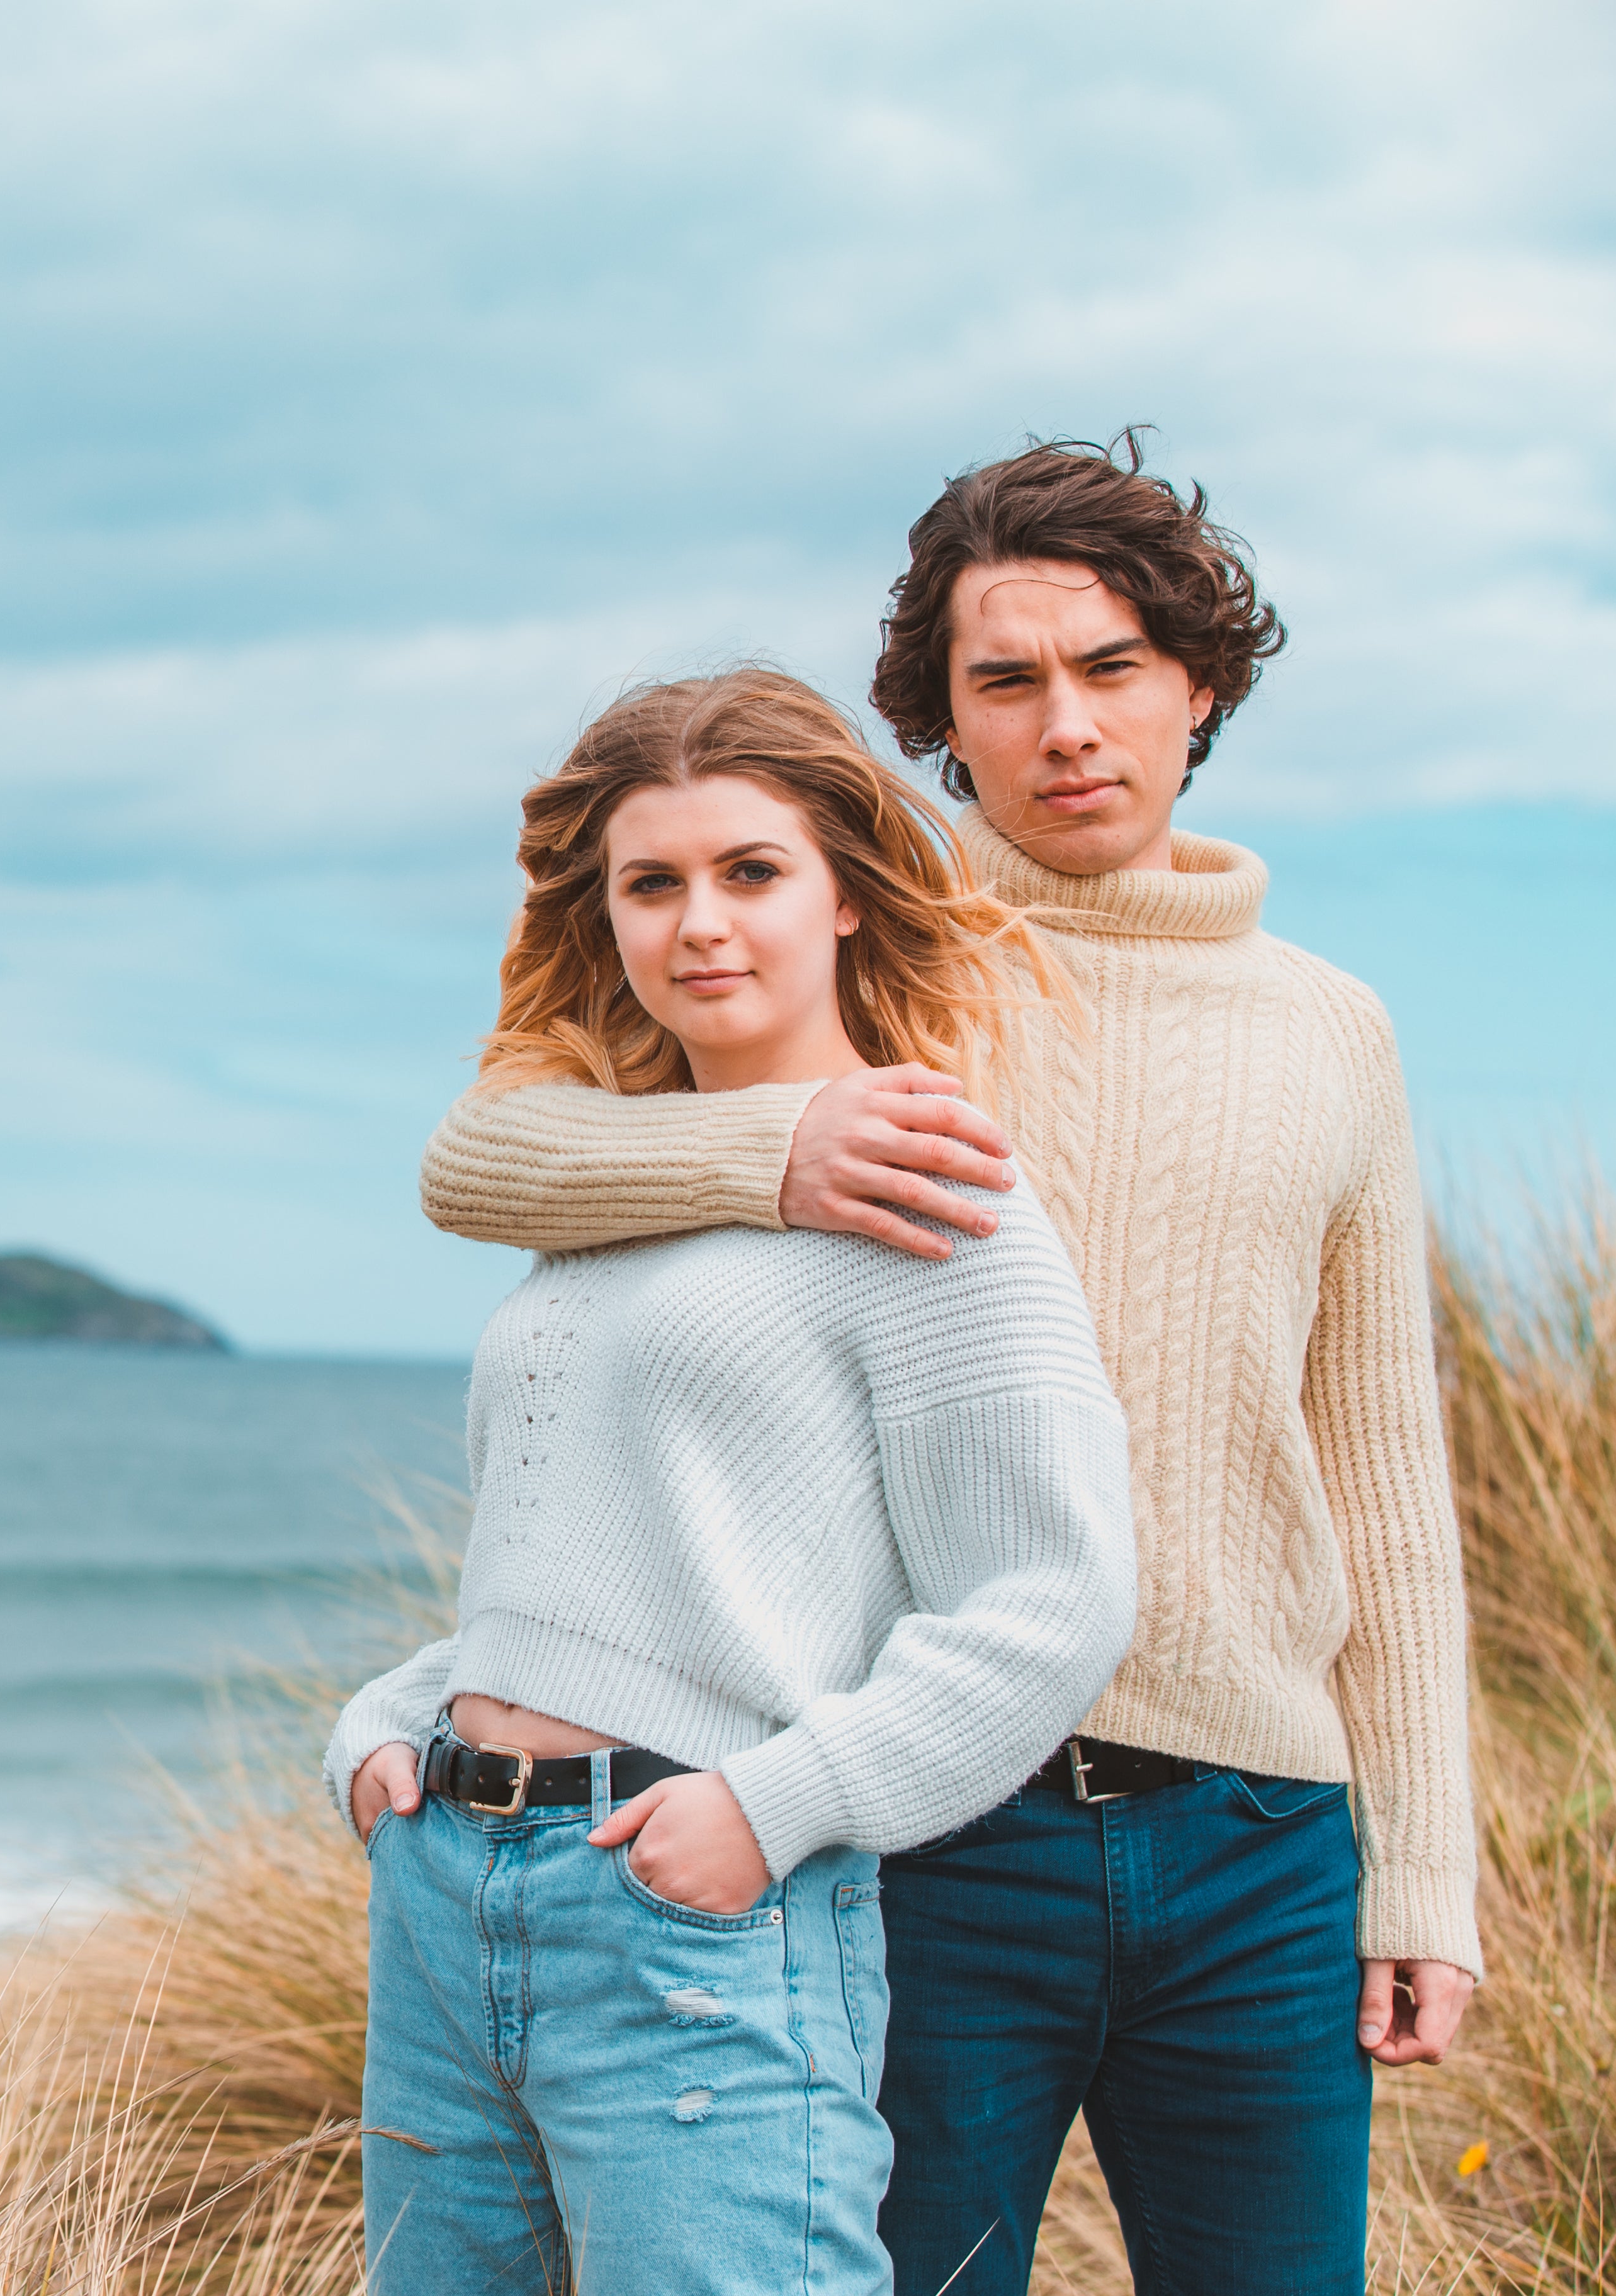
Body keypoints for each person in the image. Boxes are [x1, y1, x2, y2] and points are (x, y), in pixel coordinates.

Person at [414, 434, 1482, 2295]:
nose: (1068, 726)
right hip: (924, 1824)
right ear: (942, 722)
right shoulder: (859, 949)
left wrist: (1426, 1877)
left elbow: (1383, 1471)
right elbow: (483, 1161)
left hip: (1259, 1842)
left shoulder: (1335, 1030)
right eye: (1009, 681)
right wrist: (774, 1149)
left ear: (1197, 688)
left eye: (1114, 668)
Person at [332, 667, 1138, 2296]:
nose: (700, 923)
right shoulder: (608, 1200)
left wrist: (772, 1814)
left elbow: (1055, 1598)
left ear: (845, 894)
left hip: (690, 1915)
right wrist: (401, 1717)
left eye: (751, 872)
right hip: (450, 1899)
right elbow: (604, 1552)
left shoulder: (933, 1194)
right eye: (653, 884)